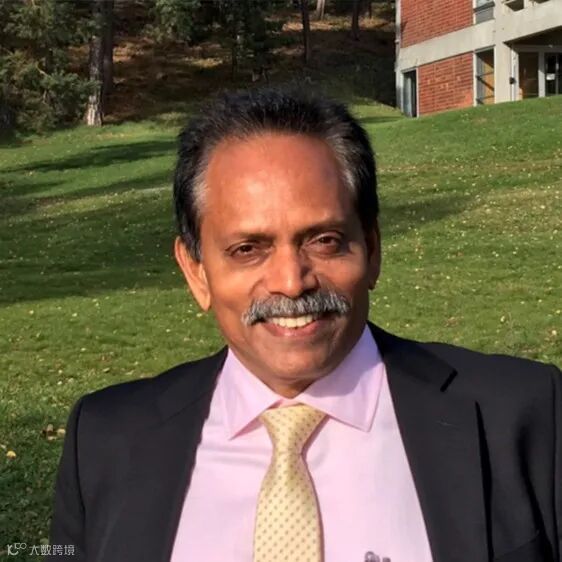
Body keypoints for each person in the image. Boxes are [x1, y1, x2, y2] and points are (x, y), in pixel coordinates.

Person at [47, 86, 561, 562]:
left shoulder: (525, 414)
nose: (291, 283)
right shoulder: (106, 440)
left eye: (324, 241)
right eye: (248, 249)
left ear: (372, 249)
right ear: (197, 272)